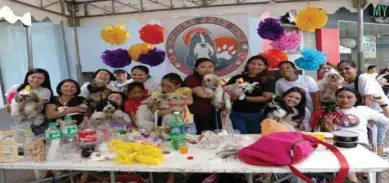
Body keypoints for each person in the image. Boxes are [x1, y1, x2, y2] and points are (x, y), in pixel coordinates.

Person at [323, 87, 389, 183]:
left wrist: (382, 103)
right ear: (336, 98)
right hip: (337, 145)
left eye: (349, 97)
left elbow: (386, 120)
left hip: (359, 145)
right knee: (342, 157)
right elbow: (325, 133)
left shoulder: (363, 110)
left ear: (356, 99)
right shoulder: (331, 112)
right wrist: (327, 126)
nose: (345, 100)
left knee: (345, 159)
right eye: (341, 97)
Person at [337, 60, 389, 156]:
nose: (343, 71)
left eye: (347, 68)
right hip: (365, 113)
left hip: (378, 111)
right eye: (340, 70)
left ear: (355, 69)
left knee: (376, 141)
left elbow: (367, 99)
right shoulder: (346, 82)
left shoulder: (364, 78)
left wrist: (367, 118)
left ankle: (377, 168)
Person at [226, 55, 273, 134]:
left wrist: (244, 98)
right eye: (252, 63)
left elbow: (266, 97)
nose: (255, 66)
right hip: (237, 114)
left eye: (259, 64)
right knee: (240, 139)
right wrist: (229, 97)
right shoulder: (237, 78)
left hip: (257, 114)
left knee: (255, 138)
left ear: (265, 67)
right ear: (247, 64)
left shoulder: (267, 79)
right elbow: (227, 91)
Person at [5, 68, 53, 135]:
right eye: (33, 77)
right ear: (27, 76)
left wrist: (22, 107)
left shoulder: (45, 91)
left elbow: (36, 106)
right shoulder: (15, 87)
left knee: (35, 140)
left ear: (45, 79)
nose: (36, 80)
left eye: (40, 78)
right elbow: (9, 104)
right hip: (18, 121)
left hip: (35, 120)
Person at [184, 58, 218, 134]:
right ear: (196, 69)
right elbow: (203, 95)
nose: (207, 69)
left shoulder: (215, 79)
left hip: (213, 111)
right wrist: (220, 93)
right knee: (203, 135)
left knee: (215, 135)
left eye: (210, 67)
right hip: (198, 113)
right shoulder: (191, 79)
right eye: (202, 67)